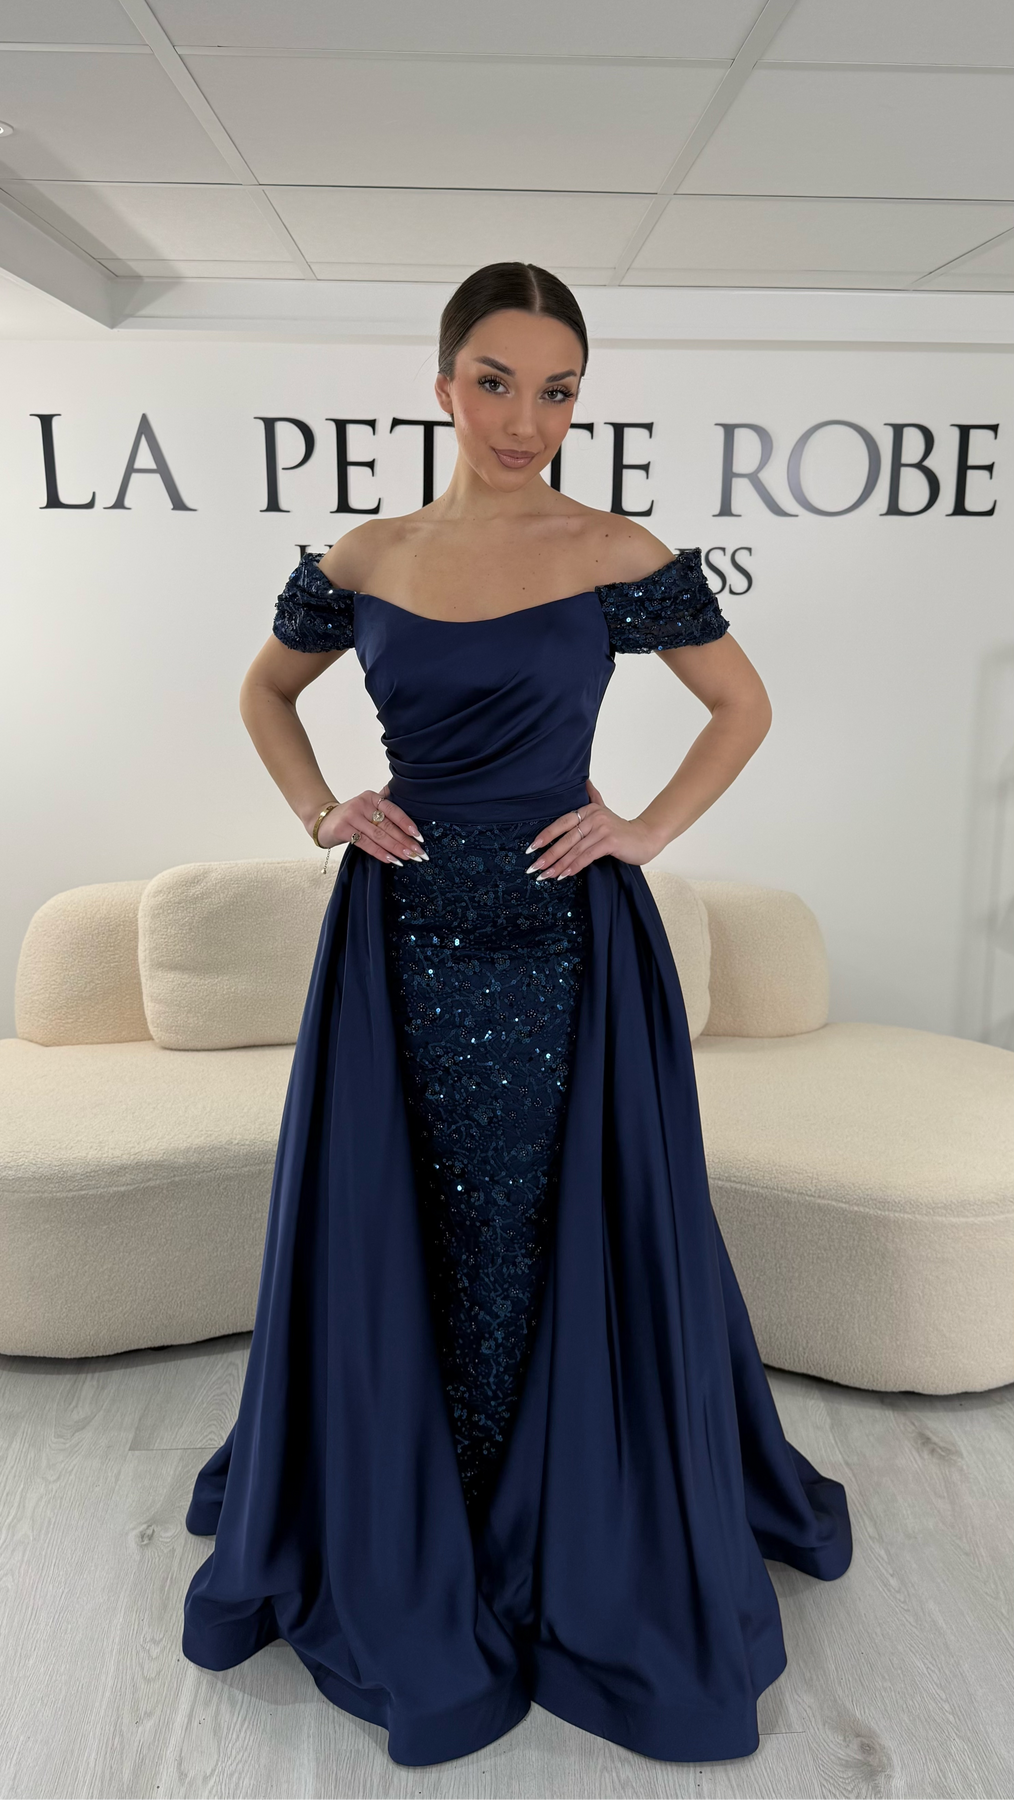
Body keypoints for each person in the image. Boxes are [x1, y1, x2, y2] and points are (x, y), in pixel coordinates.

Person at [181, 261, 851, 1767]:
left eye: (557, 392)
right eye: (495, 382)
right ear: (442, 385)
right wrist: (319, 810)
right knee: (410, 1205)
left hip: (564, 938)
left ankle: (560, 1503)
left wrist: (644, 830)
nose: (524, 419)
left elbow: (741, 706)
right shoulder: (366, 556)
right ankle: (420, 1491)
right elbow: (266, 693)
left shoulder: (613, 549)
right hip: (401, 934)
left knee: (557, 1212)